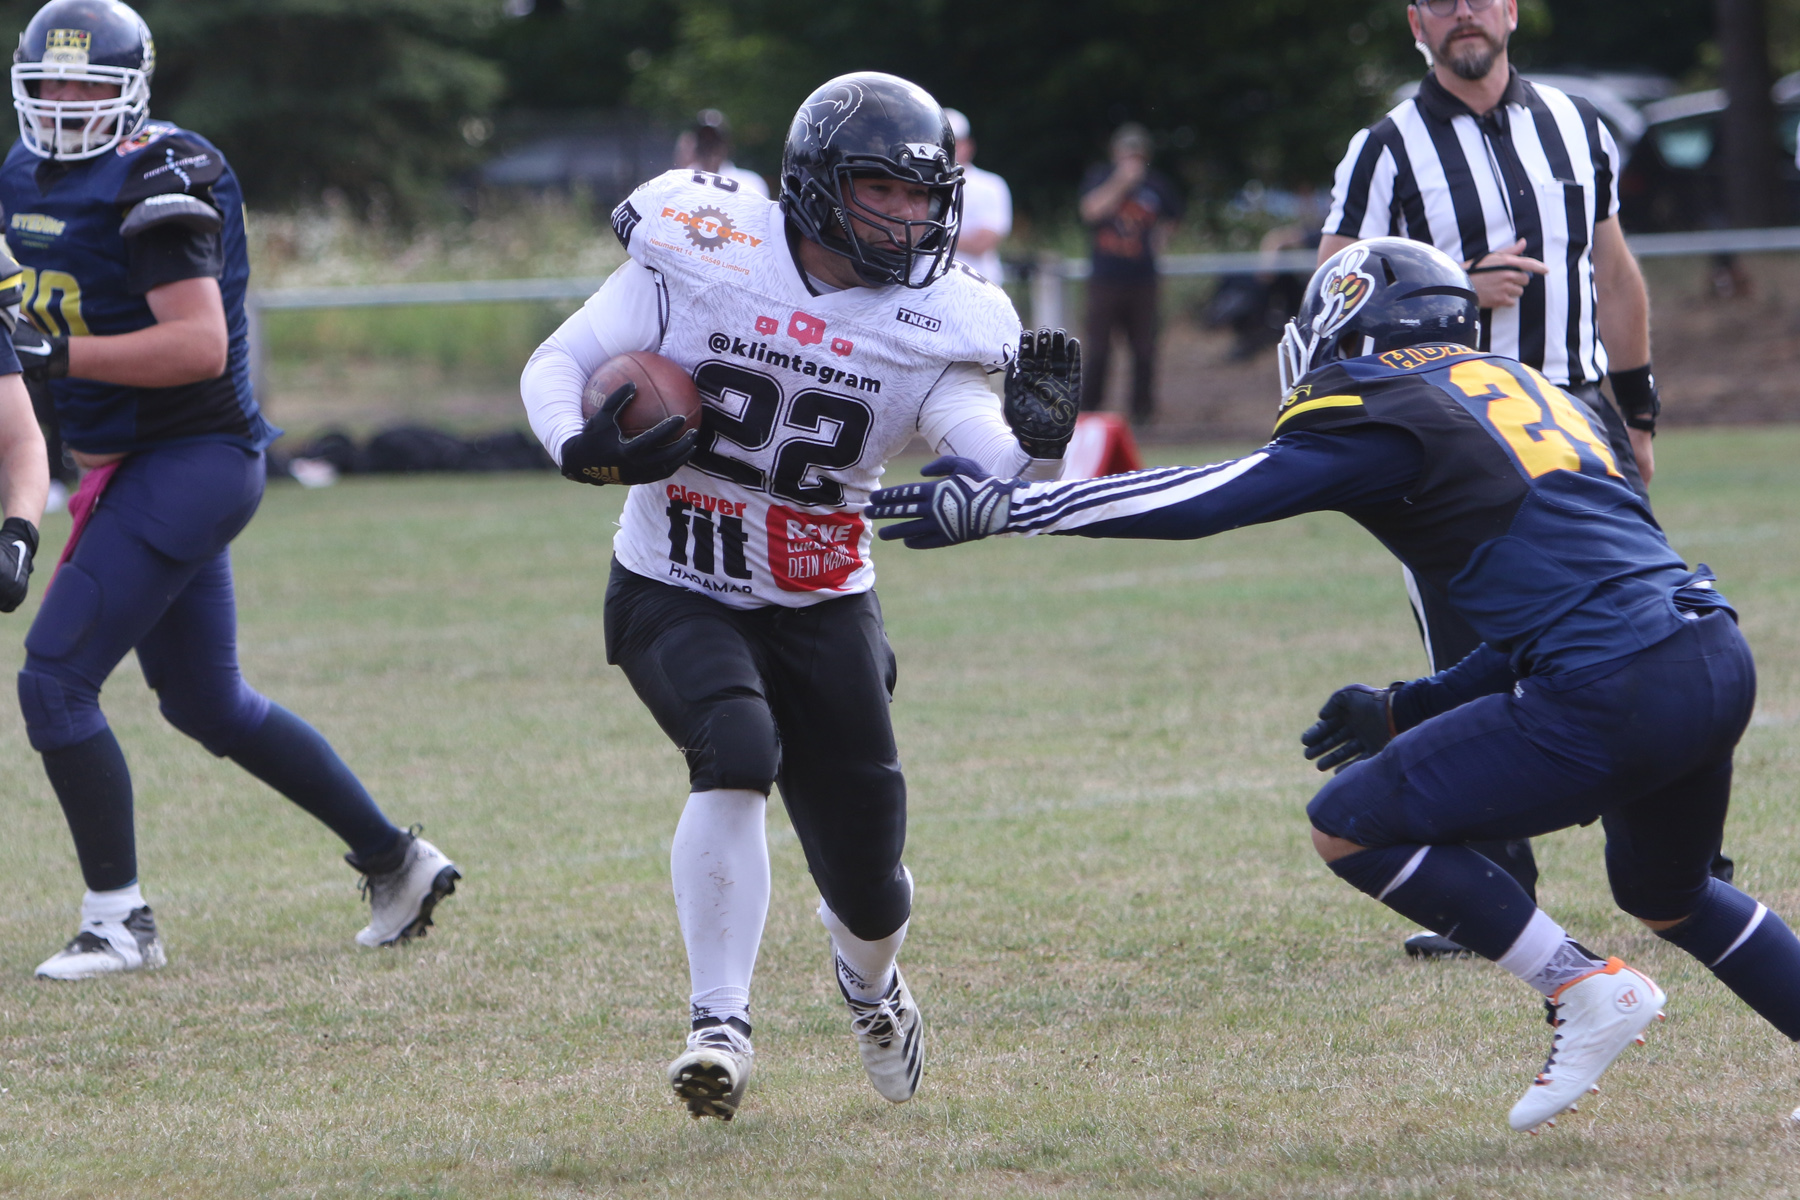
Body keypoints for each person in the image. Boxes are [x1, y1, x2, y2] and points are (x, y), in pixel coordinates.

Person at [869, 237, 1800, 1131]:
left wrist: (1014, 505)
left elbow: (1210, 498)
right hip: (1709, 654)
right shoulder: (1536, 392)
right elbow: (1572, 599)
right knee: (1670, 891)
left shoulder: (1381, 407)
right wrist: (1410, 705)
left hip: (1613, 680)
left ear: (1352, 327)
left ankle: (1582, 985)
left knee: (1349, 822)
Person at [519, 71, 1079, 1120]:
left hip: (822, 602)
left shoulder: (940, 317)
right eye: (882, 188)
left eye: (923, 195)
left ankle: (870, 984)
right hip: (675, 580)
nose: (908, 216)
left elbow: (997, 465)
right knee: (735, 751)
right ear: (818, 182)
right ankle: (718, 1026)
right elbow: (560, 361)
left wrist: (1041, 447)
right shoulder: (704, 248)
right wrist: (577, 446)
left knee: (869, 881)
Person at [2, 0, 460, 981]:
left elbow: (198, 344)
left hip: (191, 458)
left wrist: (58, 354)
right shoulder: (20, 175)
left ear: (132, 91)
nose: (68, 102)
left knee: (54, 681)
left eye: (88, 84)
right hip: (136, 465)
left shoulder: (163, 174)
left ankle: (118, 921)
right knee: (207, 703)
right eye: (51, 84)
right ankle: (396, 860)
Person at [1317, 0, 1682, 954]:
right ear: (1416, 23)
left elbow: (1614, 272)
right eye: (1441, 2)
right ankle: (1491, 893)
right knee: (1466, 657)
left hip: (1578, 418)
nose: (1464, 13)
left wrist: (1638, 410)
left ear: (1511, 10)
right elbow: (1334, 289)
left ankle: (1681, 864)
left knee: (1635, 637)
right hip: (1453, 432)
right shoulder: (1385, 149)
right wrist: (1454, 284)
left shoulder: (1576, 123)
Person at [1078, 122, 1182, 424]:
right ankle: (1090, 411)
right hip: (1105, 279)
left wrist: (1162, 238)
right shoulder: (1100, 178)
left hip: (1143, 280)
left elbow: (1175, 215)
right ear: (1115, 154)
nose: (1132, 161)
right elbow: (1090, 211)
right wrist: (1121, 184)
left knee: (1144, 348)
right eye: (1126, 154)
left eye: (1137, 156)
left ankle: (1142, 413)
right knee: (1098, 349)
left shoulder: (1157, 185)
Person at [943, 109, 1012, 284]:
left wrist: (929, 237)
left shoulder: (990, 185)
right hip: (932, 286)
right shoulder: (920, 186)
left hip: (979, 285)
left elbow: (982, 243)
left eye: (955, 142)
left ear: (969, 145)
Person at [673, 109, 768, 199]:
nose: (709, 147)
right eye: (704, 140)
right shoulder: (680, 181)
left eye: (715, 141)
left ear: (728, 145)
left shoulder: (749, 184)